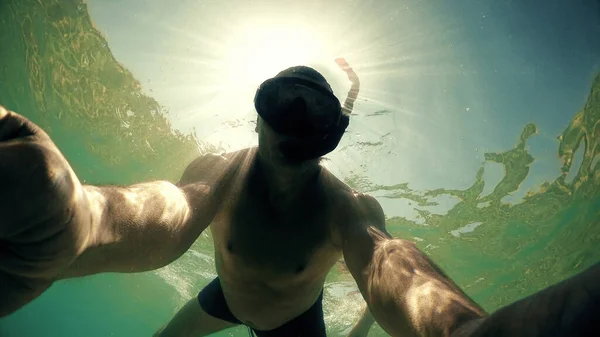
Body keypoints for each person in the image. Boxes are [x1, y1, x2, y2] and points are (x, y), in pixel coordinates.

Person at [0, 59, 598, 337]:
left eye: (313, 116)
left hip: (296, 326)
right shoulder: (218, 173)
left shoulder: (350, 210)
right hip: (224, 299)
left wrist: (462, 333)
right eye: (282, 103)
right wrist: (81, 217)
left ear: (331, 138)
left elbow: (389, 268)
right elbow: (171, 210)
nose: (293, 125)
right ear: (255, 116)